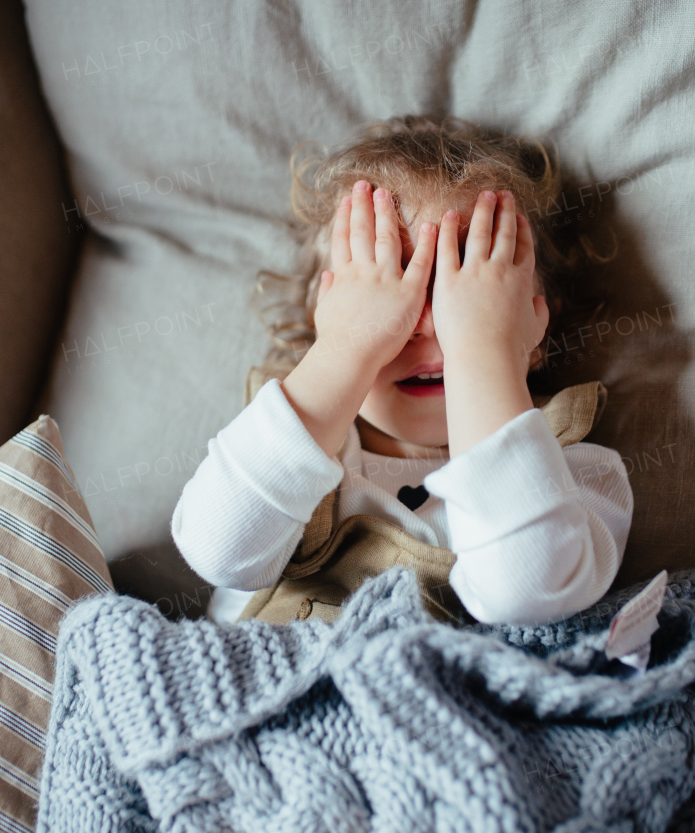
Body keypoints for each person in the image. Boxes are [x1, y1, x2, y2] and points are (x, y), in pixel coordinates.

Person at [171, 114, 633, 627]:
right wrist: (347, 347)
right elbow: (217, 551)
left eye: (466, 291)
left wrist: (482, 350)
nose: (427, 326)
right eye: (385, 288)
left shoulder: (572, 466)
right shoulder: (290, 437)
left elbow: (527, 590)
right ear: (321, 320)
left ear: (536, 328)